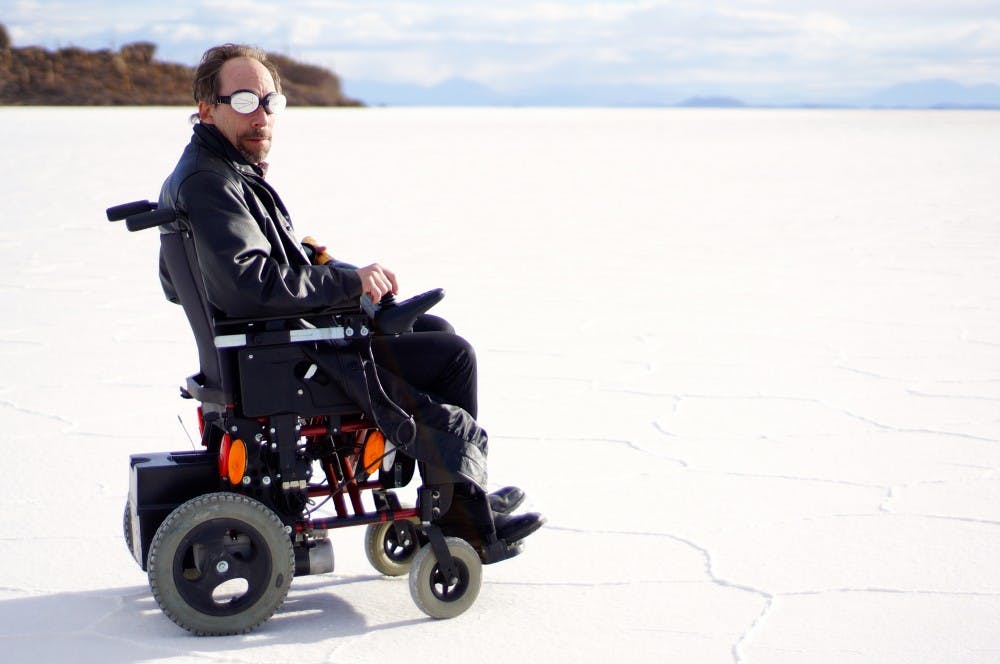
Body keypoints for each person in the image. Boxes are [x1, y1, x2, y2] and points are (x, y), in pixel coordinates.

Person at [156, 43, 543, 554]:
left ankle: (459, 495)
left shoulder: (217, 168)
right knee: (453, 357)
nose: (263, 115)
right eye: (245, 101)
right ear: (207, 107)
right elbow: (248, 286)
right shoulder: (211, 181)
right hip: (282, 362)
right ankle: (463, 521)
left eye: (271, 102)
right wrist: (347, 285)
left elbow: (183, 280)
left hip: (267, 350)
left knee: (434, 331)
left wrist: (323, 265)